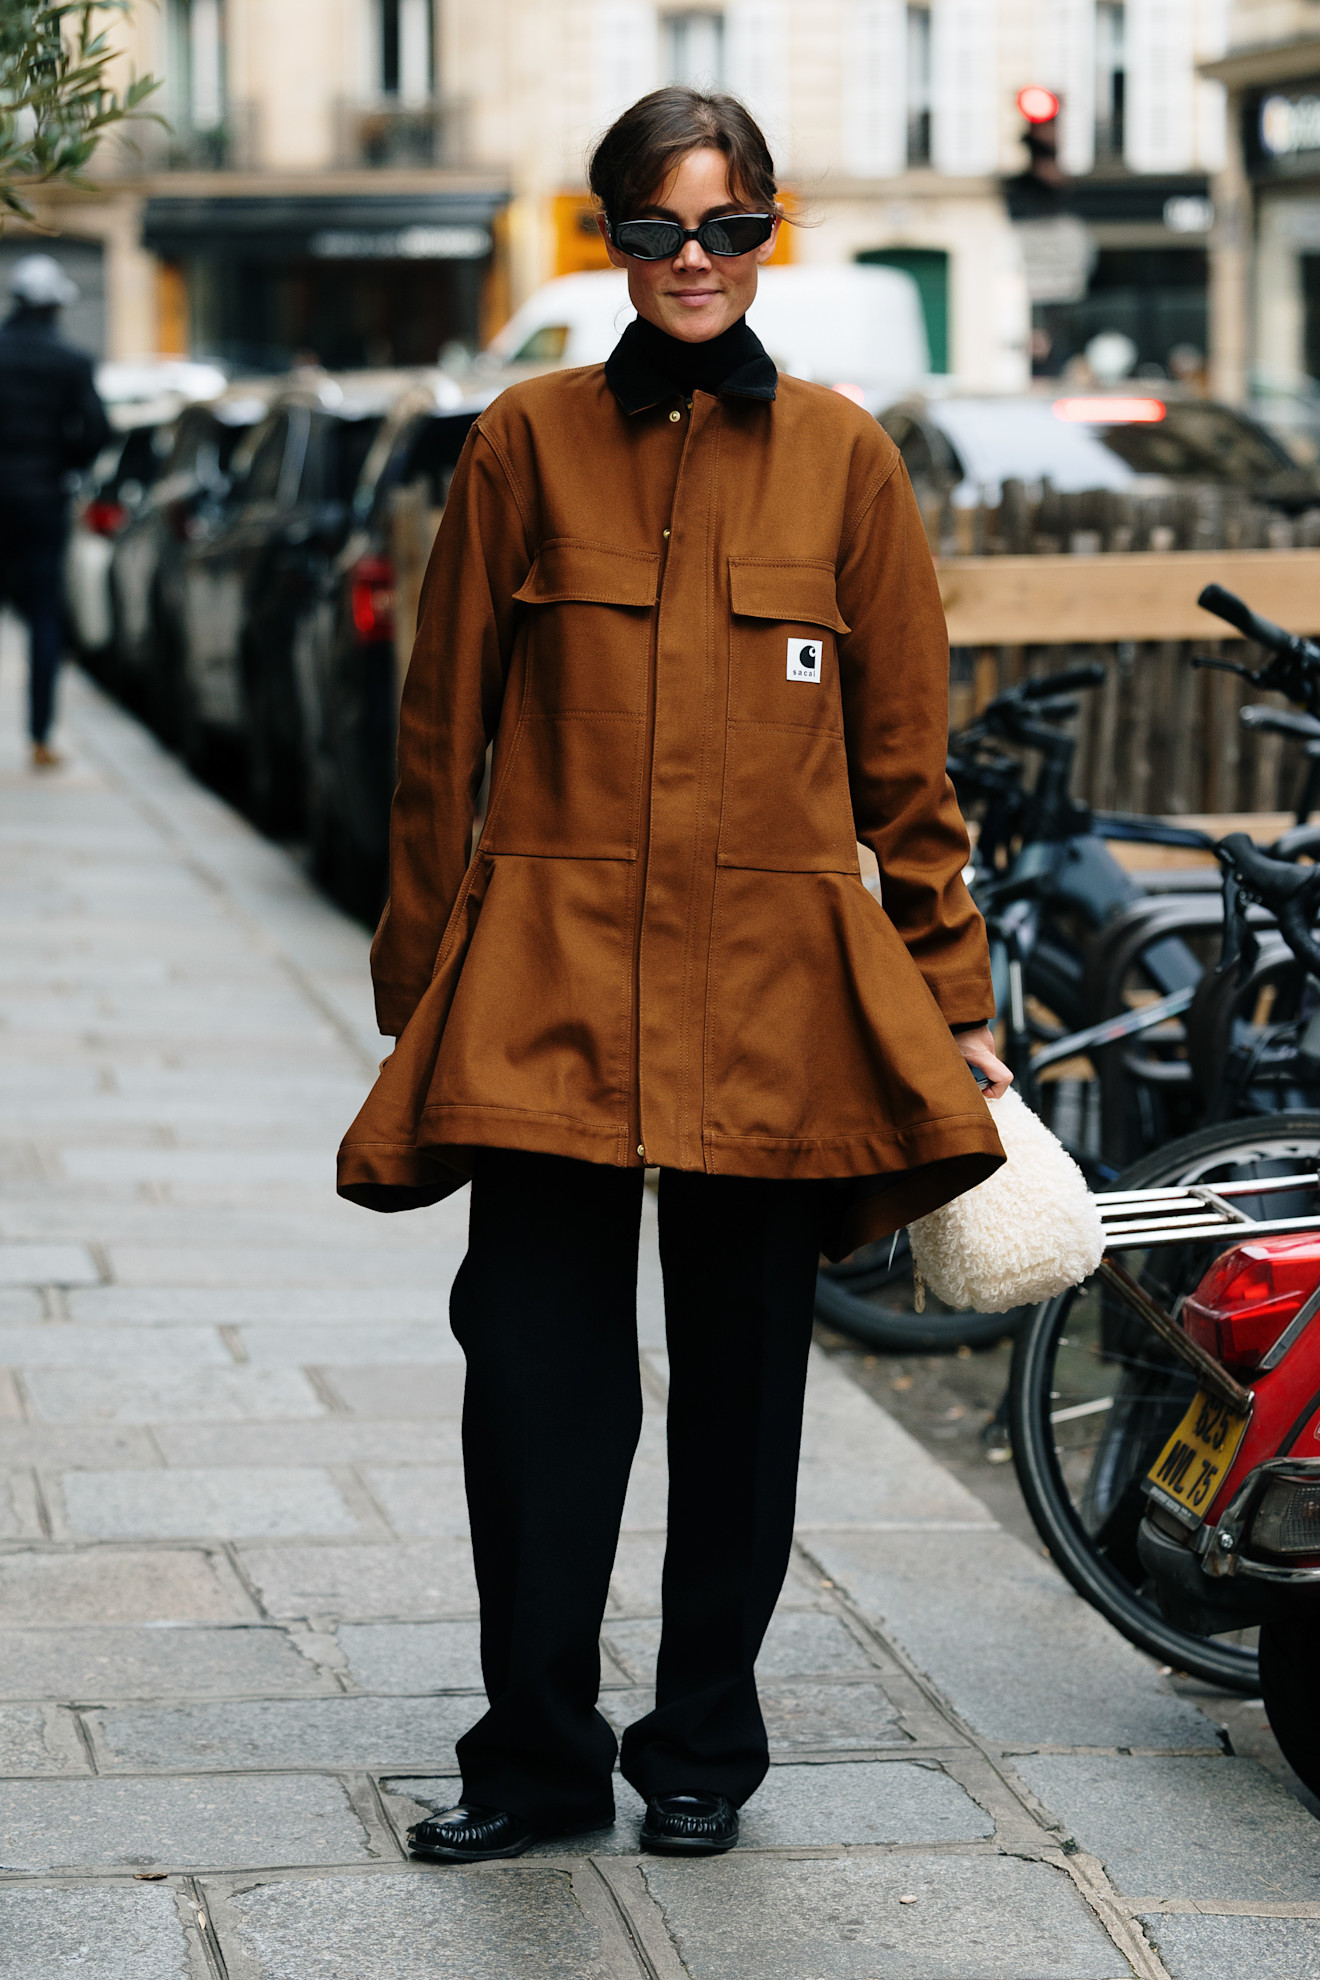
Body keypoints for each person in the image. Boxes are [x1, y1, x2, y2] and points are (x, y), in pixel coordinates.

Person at [338, 86, 1011, 1863]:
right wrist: (422, 981)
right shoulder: (524, 442)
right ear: (611, 240)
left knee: (743, 1397)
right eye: (655, 231)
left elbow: (907, 769)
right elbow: (438, 731)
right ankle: (537, 1760)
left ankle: (702, 1743)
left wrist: (958, 1002)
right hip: (547, 984)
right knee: (538, 1387)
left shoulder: (848, 459)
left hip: (772, 998)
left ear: (768, 232)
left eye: (724, 229)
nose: (692, 263)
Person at [0, 253, 110, 768]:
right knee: (45, 617)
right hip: (44, 499)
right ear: (52, 308)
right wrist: (63, 464)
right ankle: (40, 737)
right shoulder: (71, 361)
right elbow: (96, 432)